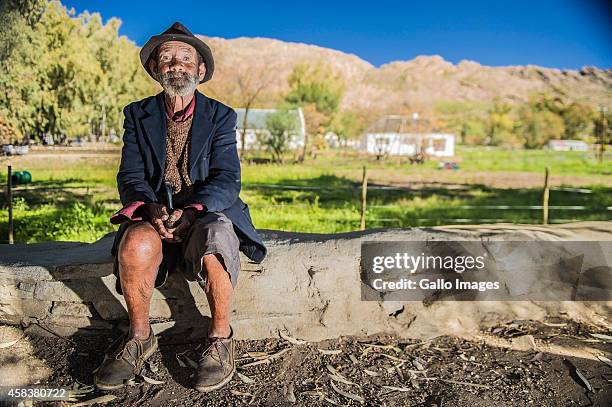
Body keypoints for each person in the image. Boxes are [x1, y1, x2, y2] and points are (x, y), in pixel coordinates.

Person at [93, 22, 267, 393]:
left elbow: (227, 178)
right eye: (167, 57)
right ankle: (139, 338)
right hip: (156, 215)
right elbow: (131, 175)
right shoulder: (136, 115)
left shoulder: (221, 116)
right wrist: (152, 210)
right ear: (156, 69)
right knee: (134, 243)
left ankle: (220, 339)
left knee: (219, 237)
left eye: (186, 58)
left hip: (203, 215)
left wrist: (192, 212)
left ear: (200, 70)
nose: (177, 64)